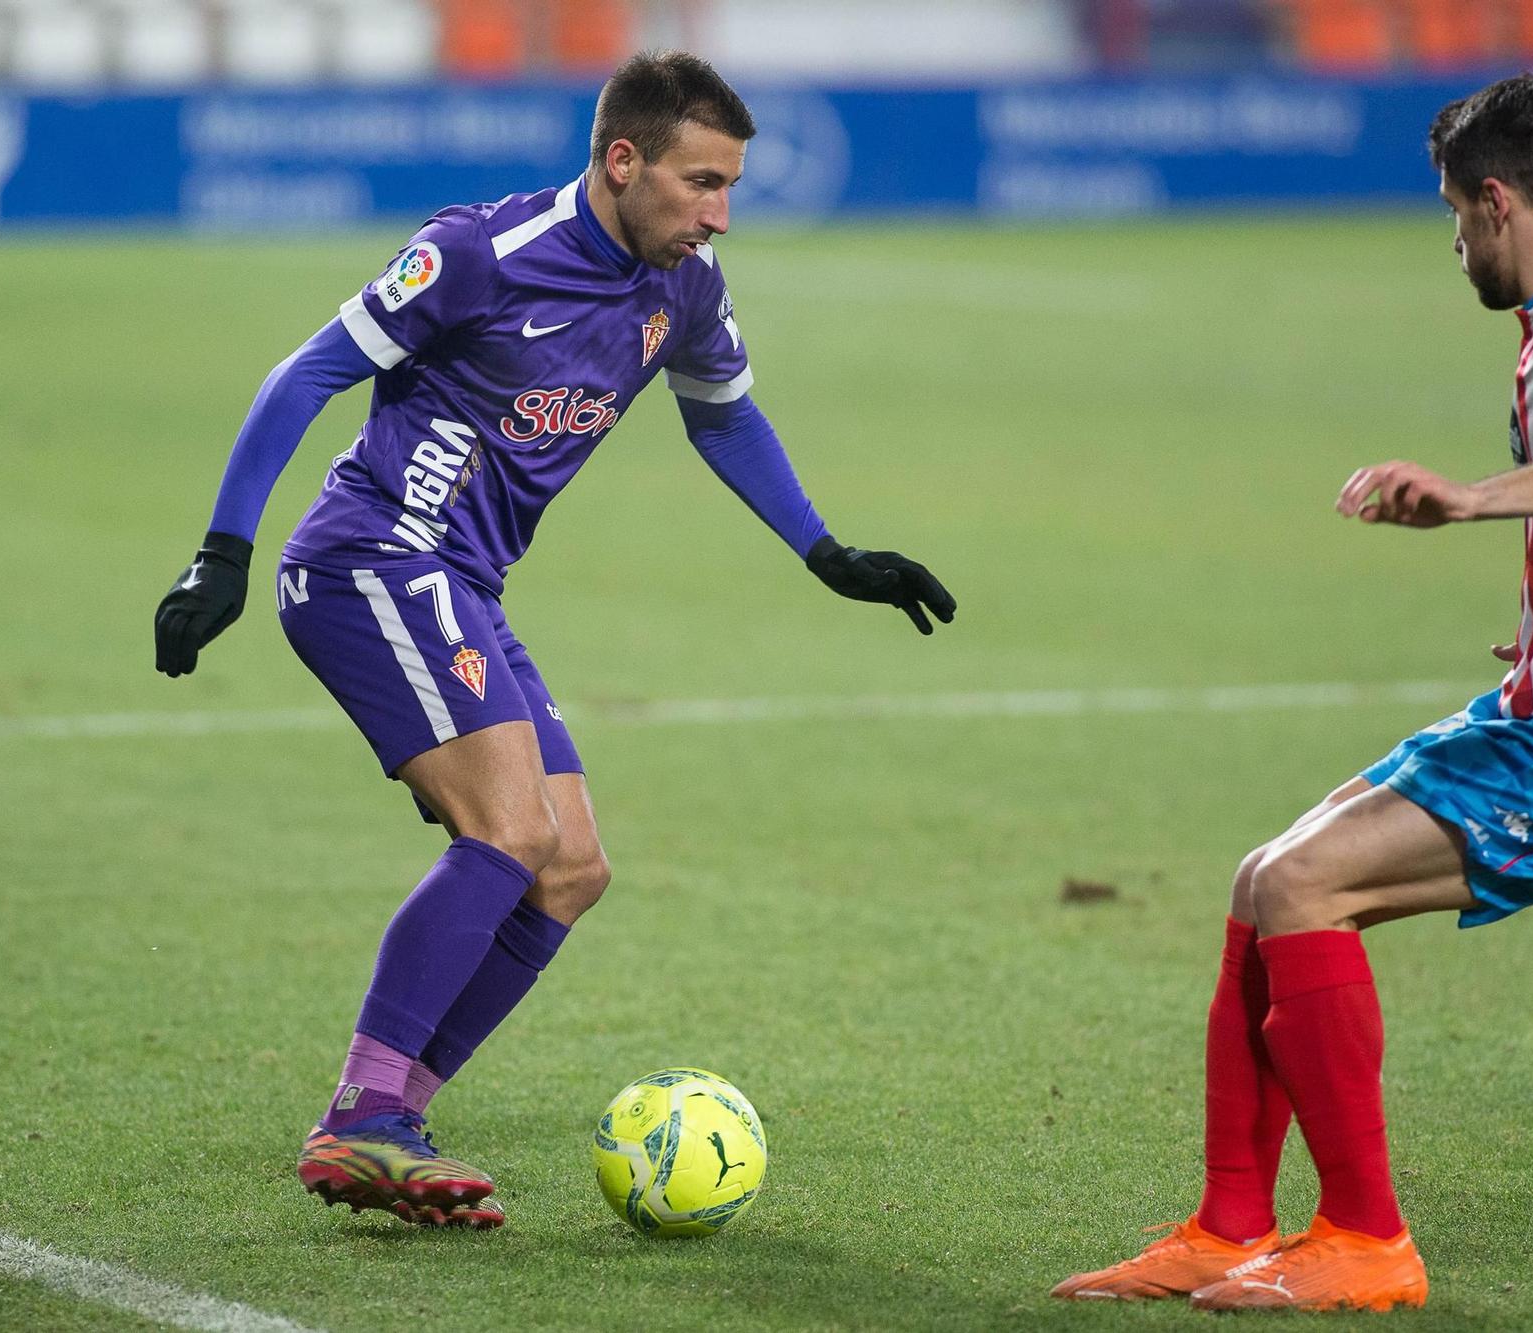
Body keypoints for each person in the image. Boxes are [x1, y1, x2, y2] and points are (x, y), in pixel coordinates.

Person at [152, 50, 954, 1231]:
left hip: (467, 584)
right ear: (621, 160)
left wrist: (822, 551)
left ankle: (394, 1120)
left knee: (571, 866)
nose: (717, 214)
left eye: (730, 186)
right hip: (371, 559)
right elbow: (307, 372)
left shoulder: (684, 285)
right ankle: (361, 1119)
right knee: (510, 829)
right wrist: (221, 548)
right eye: (698, 183)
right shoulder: (480, 253)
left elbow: (725, 420)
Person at [1052, 73, 1533, 1312]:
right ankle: (1226, 1227)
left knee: (1301, 885)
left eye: (1452, 216)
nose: (1452, 246)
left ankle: (1367, 1239)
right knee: (1259, 882)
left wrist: (1478, 501)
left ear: (1497, 201)